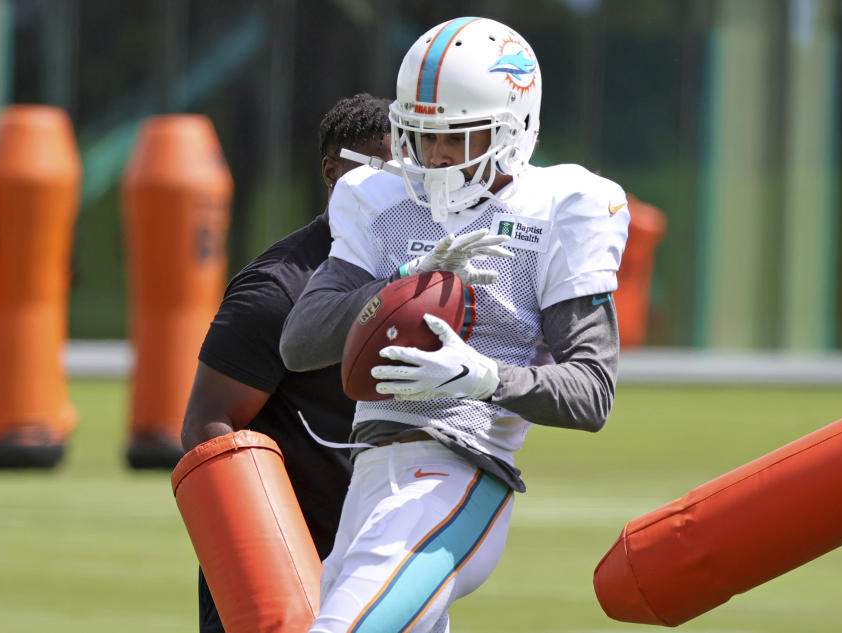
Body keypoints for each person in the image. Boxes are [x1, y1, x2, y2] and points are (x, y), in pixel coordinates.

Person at [279, 17, 630, 633]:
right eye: (421, 136)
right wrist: (398, 281)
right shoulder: (379, 198)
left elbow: (592, 392)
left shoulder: (559, 209)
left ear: (514, 130)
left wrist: (485, 378)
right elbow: (301, 340)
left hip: (456, 473)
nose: (437, 157)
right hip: (368, 480)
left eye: (460, 138)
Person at [179, 92, 392, 633]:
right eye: (380, 168)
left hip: (385, 567)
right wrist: (268, 579)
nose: (398, 187)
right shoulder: (279, 288)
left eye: (412, 172)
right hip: (286, 586)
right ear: (332, 172)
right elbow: (209, 424)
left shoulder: (417, 277)